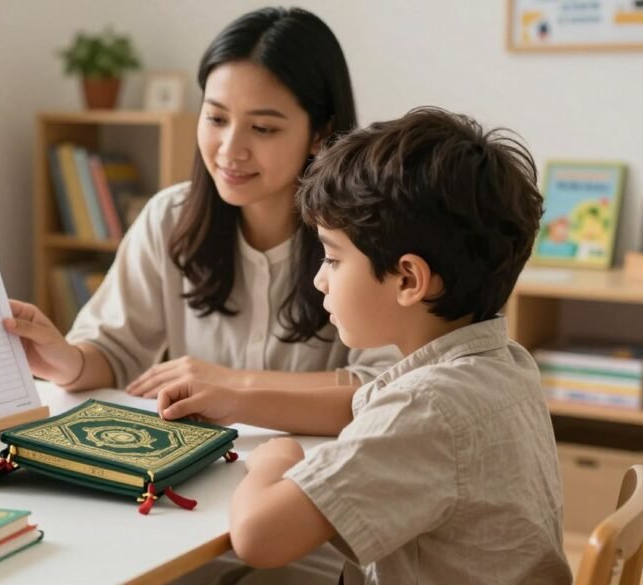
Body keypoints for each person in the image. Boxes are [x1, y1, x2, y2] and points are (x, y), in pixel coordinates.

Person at [158, 107, 574, 584]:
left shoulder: (428, 409)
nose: (319, 280)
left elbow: (258, 537)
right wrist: (238, 401)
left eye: (333, 259)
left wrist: (276, 462)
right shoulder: (499, 365)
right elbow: (362, 408)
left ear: (408, 279)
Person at [3, 7, 397, 414]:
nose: (230, 150)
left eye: (262, 128)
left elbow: (386, 389)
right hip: (198, 469)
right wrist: (67, 361)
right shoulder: (169, 218)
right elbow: (113, 352)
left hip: (314, 469)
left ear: (321, 133)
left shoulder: (366, 234)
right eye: (215, 118)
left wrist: (233, 386)